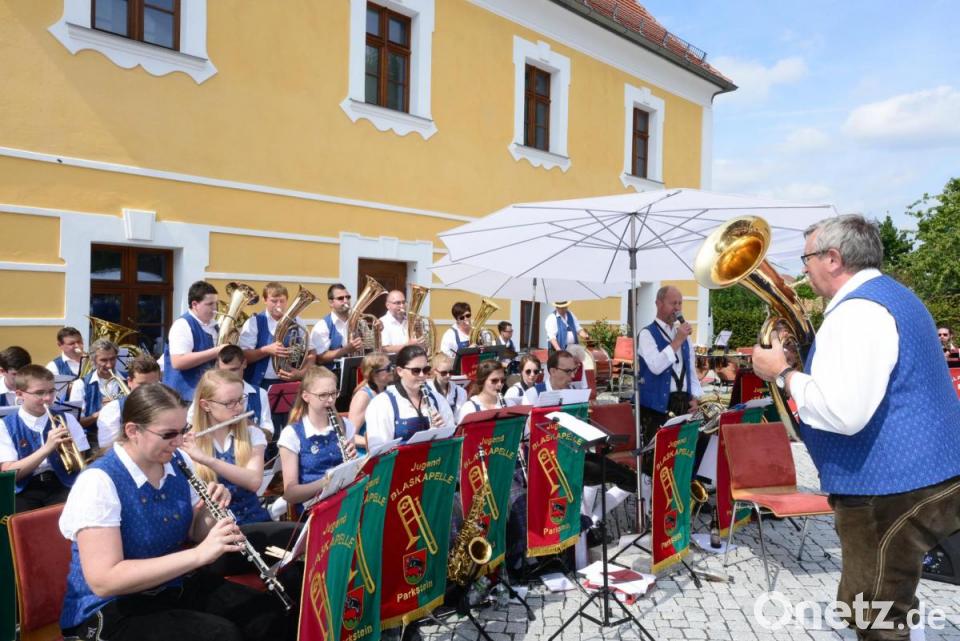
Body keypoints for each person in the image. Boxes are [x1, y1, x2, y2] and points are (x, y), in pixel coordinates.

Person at [752, 214, 960, 639]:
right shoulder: (892, 296)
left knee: (875, 617)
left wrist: (782, 373)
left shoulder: (857, 313)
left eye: (807, 258)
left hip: (888, 489)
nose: (803, 269)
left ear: (833, 258)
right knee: (887, 604)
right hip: (924, 475)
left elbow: (844, 413)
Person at [58, 382, 297, 641]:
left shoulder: (177, 461)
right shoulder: (99, 482)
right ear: (133, 431)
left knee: (267, 615)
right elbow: (105, 581)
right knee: (221, 636)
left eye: (183, 430)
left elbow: (195, 530)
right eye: (169, 434)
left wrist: (212, 511)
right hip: (111, 608)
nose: (180, 441)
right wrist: (198, 555)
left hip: (171, 584)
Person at [184, 369, 270, 525]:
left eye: (241, 399)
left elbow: (254, 481)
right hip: (214, 529)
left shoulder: (252, 434)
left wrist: (206, 459)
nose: (239, 407)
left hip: (255, 522)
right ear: (206, 405)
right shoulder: (189, 445)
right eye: (229, 403)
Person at [1, 365, 89, 512]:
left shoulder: (66, 419)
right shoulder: (4, 426)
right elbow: (10, 473)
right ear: (20, 394)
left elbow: (80, 462)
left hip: (62, 483)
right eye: (39, 393)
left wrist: (69, 450)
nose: (48, 398)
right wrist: (47, 448)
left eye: (51, 391)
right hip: (24, 489)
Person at [278, 366, 356, 514]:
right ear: (306, 396)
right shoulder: (291, 434)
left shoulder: (346, 426)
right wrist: (328, 482)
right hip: (314, 511)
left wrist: (355, 464)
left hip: (346, 504)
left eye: (334, 393)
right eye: (323, 395)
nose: (330, 400)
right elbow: (290, 493)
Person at [636, 285, 702, 451]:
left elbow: (690, 370)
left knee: (684, 452)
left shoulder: (683, 336)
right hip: (656, 406)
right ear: (659, 304)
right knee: (659, 454)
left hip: (682, 402)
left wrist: (694, 397)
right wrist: (677, 340)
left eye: (680, 303)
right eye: (673, 303)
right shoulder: (646, 334)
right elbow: (656, 366)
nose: (677, 308)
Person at [364, 345, 455, 449]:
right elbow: (379, 450)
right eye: (416, 370)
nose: (422, 375)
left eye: (426, 370)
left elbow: (451, 439)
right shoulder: (381, 404)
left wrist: (442, 432)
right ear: (400, 371)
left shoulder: (437, 399)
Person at [239, 282, 312, 390]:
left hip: (289, 383)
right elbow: (243, 356)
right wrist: (266, 350)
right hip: (259, 384)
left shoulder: (297, 322)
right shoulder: (254, 322)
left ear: (287, 301)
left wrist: (301, 373)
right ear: (265, 300)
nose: (278, 305)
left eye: (282, 301)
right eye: (274, 301)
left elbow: (311, 352)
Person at [163, 280, 222, 402]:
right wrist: (216, 351)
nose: (215, 308)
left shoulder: (214, 326)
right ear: (195, 304)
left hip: (205, 395)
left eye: (216, 303)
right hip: (182, 398)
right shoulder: (182, 325)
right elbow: (178, 362)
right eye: (210, 304)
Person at [204, 345, 274, 439]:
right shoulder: (208, 392)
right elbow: (192, 427)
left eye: (234, 370)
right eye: (224, 372)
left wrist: (248, 424)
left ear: (244, 363)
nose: (229, 375)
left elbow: (269, 437)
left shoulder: (260, 394)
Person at [97, 355, 161, 448]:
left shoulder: (168, 404)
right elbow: (107, 448)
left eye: (154, 384)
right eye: (142, 384)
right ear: (129, 382)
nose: (148, 389)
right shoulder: (113, 410)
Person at [70, 339, 124, 439]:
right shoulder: (80, 385)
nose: (109, 365)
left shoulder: (128, 380)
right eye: (103, 360)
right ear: (93, 360)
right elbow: (74, 423)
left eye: (112, 359)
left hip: (124, 438)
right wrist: (99, 414)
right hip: (93, 440)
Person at [309, 283, 364, 377]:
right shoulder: (322, 325)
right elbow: (320, 358)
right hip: (332, 376)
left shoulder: (358, 322)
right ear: (331, 303)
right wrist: (345, 350)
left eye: (348, 297)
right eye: (340, 298)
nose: (346, 301)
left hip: (357, 372)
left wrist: (376, 331)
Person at [348, 352, 393, 455]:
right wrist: (377, 443)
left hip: (384, 451)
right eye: (388, 368)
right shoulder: (363, 397)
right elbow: (351, 435)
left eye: (391, 366)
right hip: (366, 455)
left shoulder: (388, 390)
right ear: (374, 374)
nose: (392, 370)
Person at [379, 289, 422, 354]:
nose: (402, 306)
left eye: (404, 302)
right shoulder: (382, 322)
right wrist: (408, 345)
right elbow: (385, 349)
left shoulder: (411, 321)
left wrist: (421, 342)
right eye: (398, 303)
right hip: (393, 360)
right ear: (388, 305)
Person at [46, 327, 84, 400]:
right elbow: (53, 395)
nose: (77, 346)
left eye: (79, 342)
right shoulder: (53, 367)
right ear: (60, 345)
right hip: (67, 406)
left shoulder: (93, 361)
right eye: (72, 343)